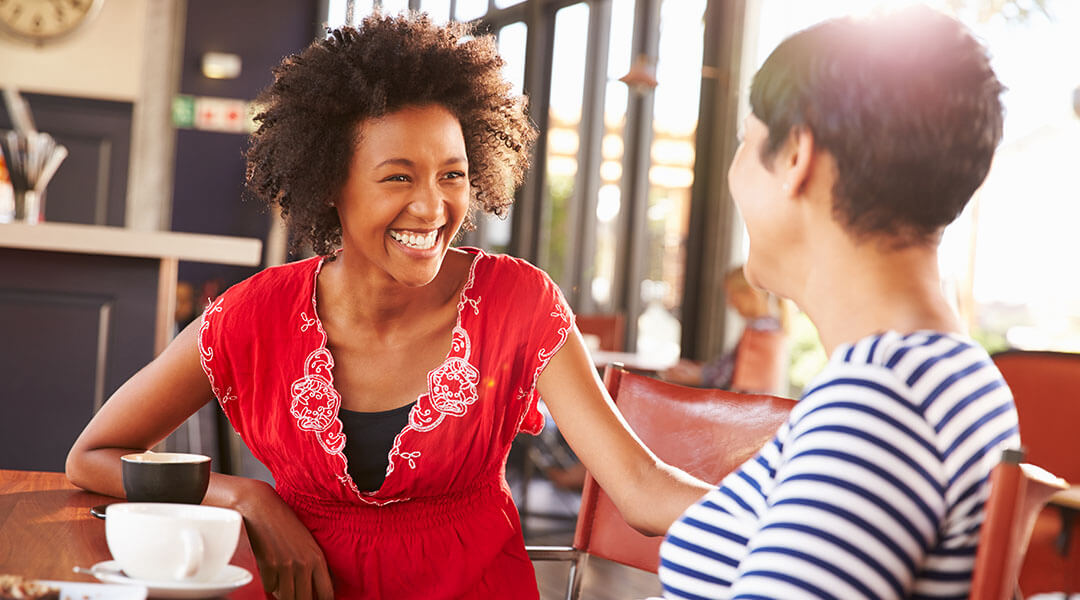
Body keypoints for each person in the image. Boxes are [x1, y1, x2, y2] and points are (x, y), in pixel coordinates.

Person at [66, 13, 710, 600]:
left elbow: (641, 487)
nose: (432, 208)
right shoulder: (252, 316)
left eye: (452, 175)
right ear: (329, 187)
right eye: (398, 176)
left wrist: (797, 516)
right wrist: (244, 496)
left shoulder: (520, 302)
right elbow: (92, 457)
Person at [658, 7, 1020, 599]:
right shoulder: (949, 374)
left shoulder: (881, 402)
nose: (732, 173)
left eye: (746, 140)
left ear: (797, 153)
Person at [661, 265, 789, 395]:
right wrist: (699, 370)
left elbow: (731, 374)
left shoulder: (761, 330)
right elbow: (732, 365)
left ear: (751, 294)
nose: (730, 303)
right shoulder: (768, 326)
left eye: (732, 296)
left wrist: (698, 375)